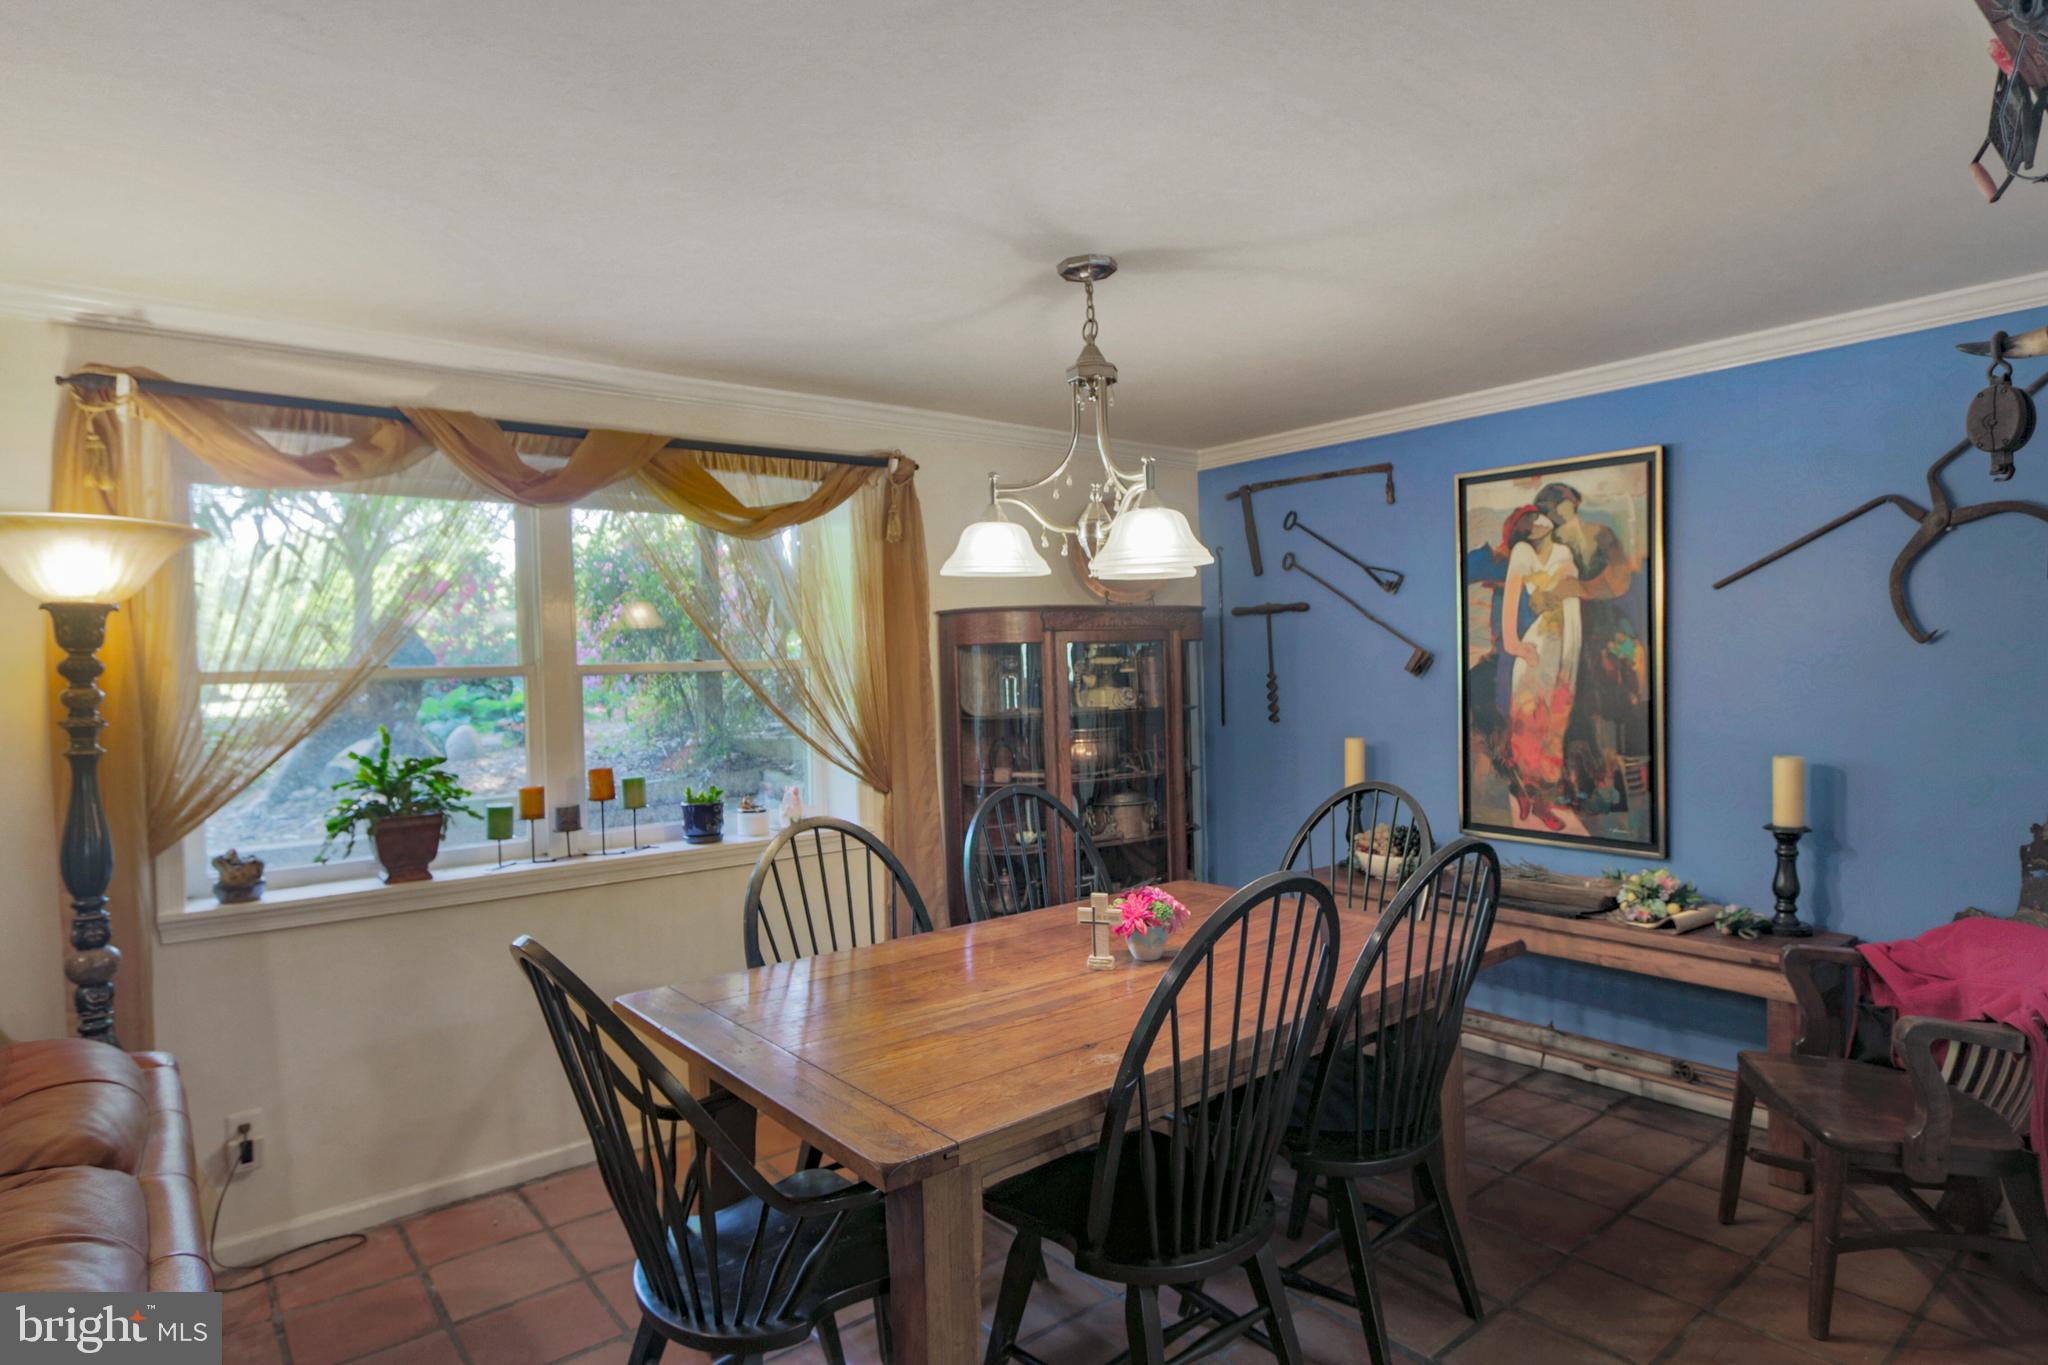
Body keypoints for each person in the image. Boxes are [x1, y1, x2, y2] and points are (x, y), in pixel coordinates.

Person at [1529, 481, 1649, 820]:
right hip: (1566, 632)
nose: (1553, 514)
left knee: (1604, 707)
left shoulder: (1600, 534)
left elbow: (1619, 579)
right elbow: (1539, 591)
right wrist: (1544, 597)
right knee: (1568, 704)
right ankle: (1575, 786)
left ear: (1572, 503)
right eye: (1548, 509)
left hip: (1603, 632)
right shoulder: (1552, 545)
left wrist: (1578, 588)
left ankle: (1610, 789)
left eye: (1557, 506)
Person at [1500, 504, 1580, 831]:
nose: (1538, 521)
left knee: (1555, 722)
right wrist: (1515, 646)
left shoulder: (1562, 550)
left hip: (1566, 644)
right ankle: (1534, 796)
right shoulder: (1522, 552)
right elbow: (1511, 599)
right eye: (1530, 520)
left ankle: (1532, 792)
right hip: (1541, 646)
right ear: (1524, 530)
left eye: (1539, 516)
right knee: (1532, 725)